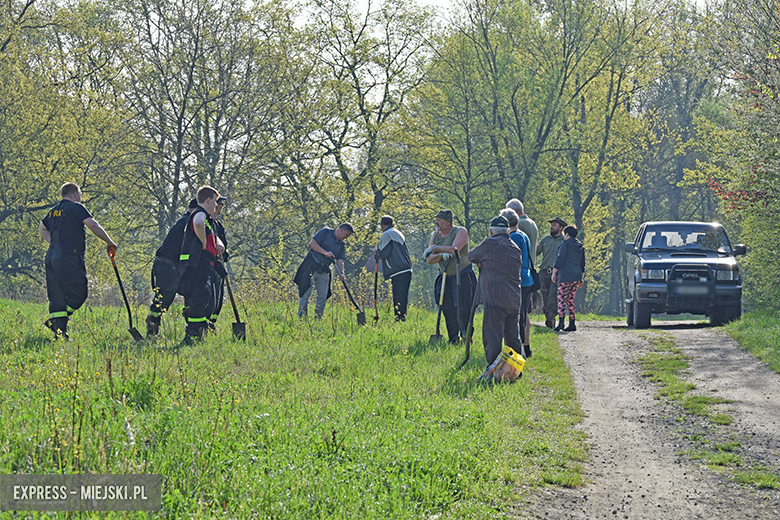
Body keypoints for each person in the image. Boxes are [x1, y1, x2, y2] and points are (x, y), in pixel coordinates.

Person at [39, 182, 117, 339]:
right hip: (69, 256)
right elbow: (93, 226)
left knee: (57, 294)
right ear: (75, 193)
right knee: (79, 293)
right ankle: (58, 322)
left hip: (52, 256)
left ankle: (59, 330)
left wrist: (55, 245)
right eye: (80, 194)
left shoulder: (53, 211)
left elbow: (42, 228)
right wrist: (109, 242)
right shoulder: (76, 207)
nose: (80, 197)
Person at [467, 216, 525, 367]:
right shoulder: (515, 247)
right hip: (514, 299)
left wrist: (482, 261)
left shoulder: (489, 243)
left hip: (495, 297)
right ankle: (515, 370)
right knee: (513, 339)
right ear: (507, 231)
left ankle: (494, 370)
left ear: (491, 231)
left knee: (493, 338)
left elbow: (471, 256)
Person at [178, 186, 225, 343]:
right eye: (215, 201)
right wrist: (203, 242)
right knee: (200, 298)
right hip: (198, 265)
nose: (216, 205)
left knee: (207, 299)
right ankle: (192, 334)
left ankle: (199, 333)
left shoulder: (208, 219)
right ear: (208, 200)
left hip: (206, 264)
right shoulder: (200, 213)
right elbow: (198, 223)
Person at [146, 198, 199, 336]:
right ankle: (152, 330)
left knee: (191, 294)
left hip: (172, 266)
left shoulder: (185, 221)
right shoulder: (188, 222)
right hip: (168, 266)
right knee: (163, 299)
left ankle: (193, 331)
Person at [424, 209, 476, 343]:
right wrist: (441, 255)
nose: (436, 223)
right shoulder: (435, 235)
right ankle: (453, 339)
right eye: (436, 220)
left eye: (439, 220)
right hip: (445, 276)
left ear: (448, 222)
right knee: (447, 308)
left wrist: (435, 249)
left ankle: (466, 336)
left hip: (463, 275)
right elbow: (430, 259)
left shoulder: (460, 231)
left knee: (464, 307)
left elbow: (455, 250)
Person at [294, 223, 354, 318]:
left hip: (324, 270)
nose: (346, 238)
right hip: (310, 267)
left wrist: (342, 273)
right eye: (346, 235)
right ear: (342, 230)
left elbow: (340, 260)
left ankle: (318, 318)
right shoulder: (325, 232)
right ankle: (301, 317)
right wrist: (325, 252)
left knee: (323, 296)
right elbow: (312, 243)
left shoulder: (341, 244)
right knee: (305, 294)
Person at [500, 208, 533, 359]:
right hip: (527, 278)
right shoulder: (523, 235)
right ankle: (526, 347)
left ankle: (519, 351)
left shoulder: (512, 237)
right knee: (524, 313)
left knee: (516, 316)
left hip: (517, 279)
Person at [505, 199, 538, 343]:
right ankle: (526, 344)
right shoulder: (532, 224)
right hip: (528, 273)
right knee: (524, 312)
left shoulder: (517, 231)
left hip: (519, 274)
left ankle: (520, 345)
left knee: (518, 314)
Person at [374, 215, 412, 321]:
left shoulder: (386, 234)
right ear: (393, 224)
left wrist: (376, 252)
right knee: (403, 295)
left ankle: (399, 318)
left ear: (382, 225)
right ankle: (401, 317)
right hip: (406, 268)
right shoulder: (398, 233)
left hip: (397, 269)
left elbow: (383, 253)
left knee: (398, 296)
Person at [552, 225, 586, 332]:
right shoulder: (580, 246)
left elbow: (559, 259)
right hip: (576, 276)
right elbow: (582, 263)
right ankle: (572, 323)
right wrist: (581, 278)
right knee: (571, 299)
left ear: (566, 234)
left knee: (562, 299)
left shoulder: (565, 245)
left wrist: (554, 273)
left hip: (565, 276)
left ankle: (561, 322)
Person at [536, 216, 567, 329]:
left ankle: (551, 318)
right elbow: (536, 252)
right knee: (545, 295)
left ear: (561, 227)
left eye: (554, 225)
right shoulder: (545, 240)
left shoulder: (564, 241)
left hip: (558, 273)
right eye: (551, 225)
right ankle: (549, 317)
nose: (551, 227)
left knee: (553, 295)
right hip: (544, 272)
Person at [209, 196, 229, 330]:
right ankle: (206, 323)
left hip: (219, 265)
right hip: (210, 265)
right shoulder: (207, 223)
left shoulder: (218, 225)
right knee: (211, 296)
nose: (222, 206)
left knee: (218, 297)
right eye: (220, 203)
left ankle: (212, 323)